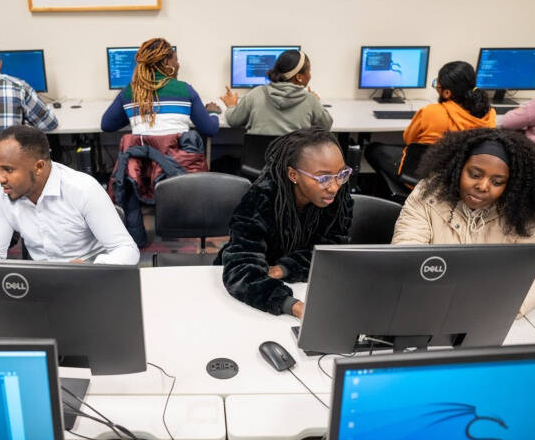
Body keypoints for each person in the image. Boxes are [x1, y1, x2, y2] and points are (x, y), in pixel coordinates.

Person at [392, 128, 535, 316]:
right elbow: (407, 253)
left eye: (497, 181)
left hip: (489, 310)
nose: (483, 186)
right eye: (475, 174)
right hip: (431, 307)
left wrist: (510, 308)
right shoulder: (428, 194)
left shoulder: (518, 209)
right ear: (458, 168)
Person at [0, 125, 139, 265]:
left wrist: (91, 267)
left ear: (38, 167)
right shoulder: (2, 193)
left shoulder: (82, 189)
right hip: (40, 285)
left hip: (91, 281)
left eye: (8, 170)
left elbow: (127, 250)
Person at [216, 128, 353, 318]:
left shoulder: (337, 197)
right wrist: (292, 305)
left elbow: (332, 250)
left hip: (304, 285)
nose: (334, 186)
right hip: (253, 297)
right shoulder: (260, 199)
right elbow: (240, 271)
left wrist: (284, 268)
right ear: (293, 175)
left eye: (341, 174)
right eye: (323, 178)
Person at [100, 38, 220, 246]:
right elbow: (209, 129)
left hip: (140, 173)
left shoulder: (130, 92)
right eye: (176, 59)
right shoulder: (185, 90)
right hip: (178, 171)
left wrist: (135, 114)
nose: (179, 63)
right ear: (167, 63)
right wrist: (213, 113)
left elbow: (107, 125)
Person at [366, 61, 494, 186]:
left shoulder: (432, 112)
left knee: (373, 149)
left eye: (437, 84)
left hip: (420, 178)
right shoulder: (489, 115)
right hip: (456, 183)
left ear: (447, 92)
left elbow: (409, 139)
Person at [213, 49, 333, 135]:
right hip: (293, 168)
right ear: (299, 77)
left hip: (257, 167)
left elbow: (233, 120)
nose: (310, 75)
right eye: (309, 70)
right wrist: (317, 103)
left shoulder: (256, 94)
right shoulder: (310, 100)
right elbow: (326, 126)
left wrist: (231, 105)